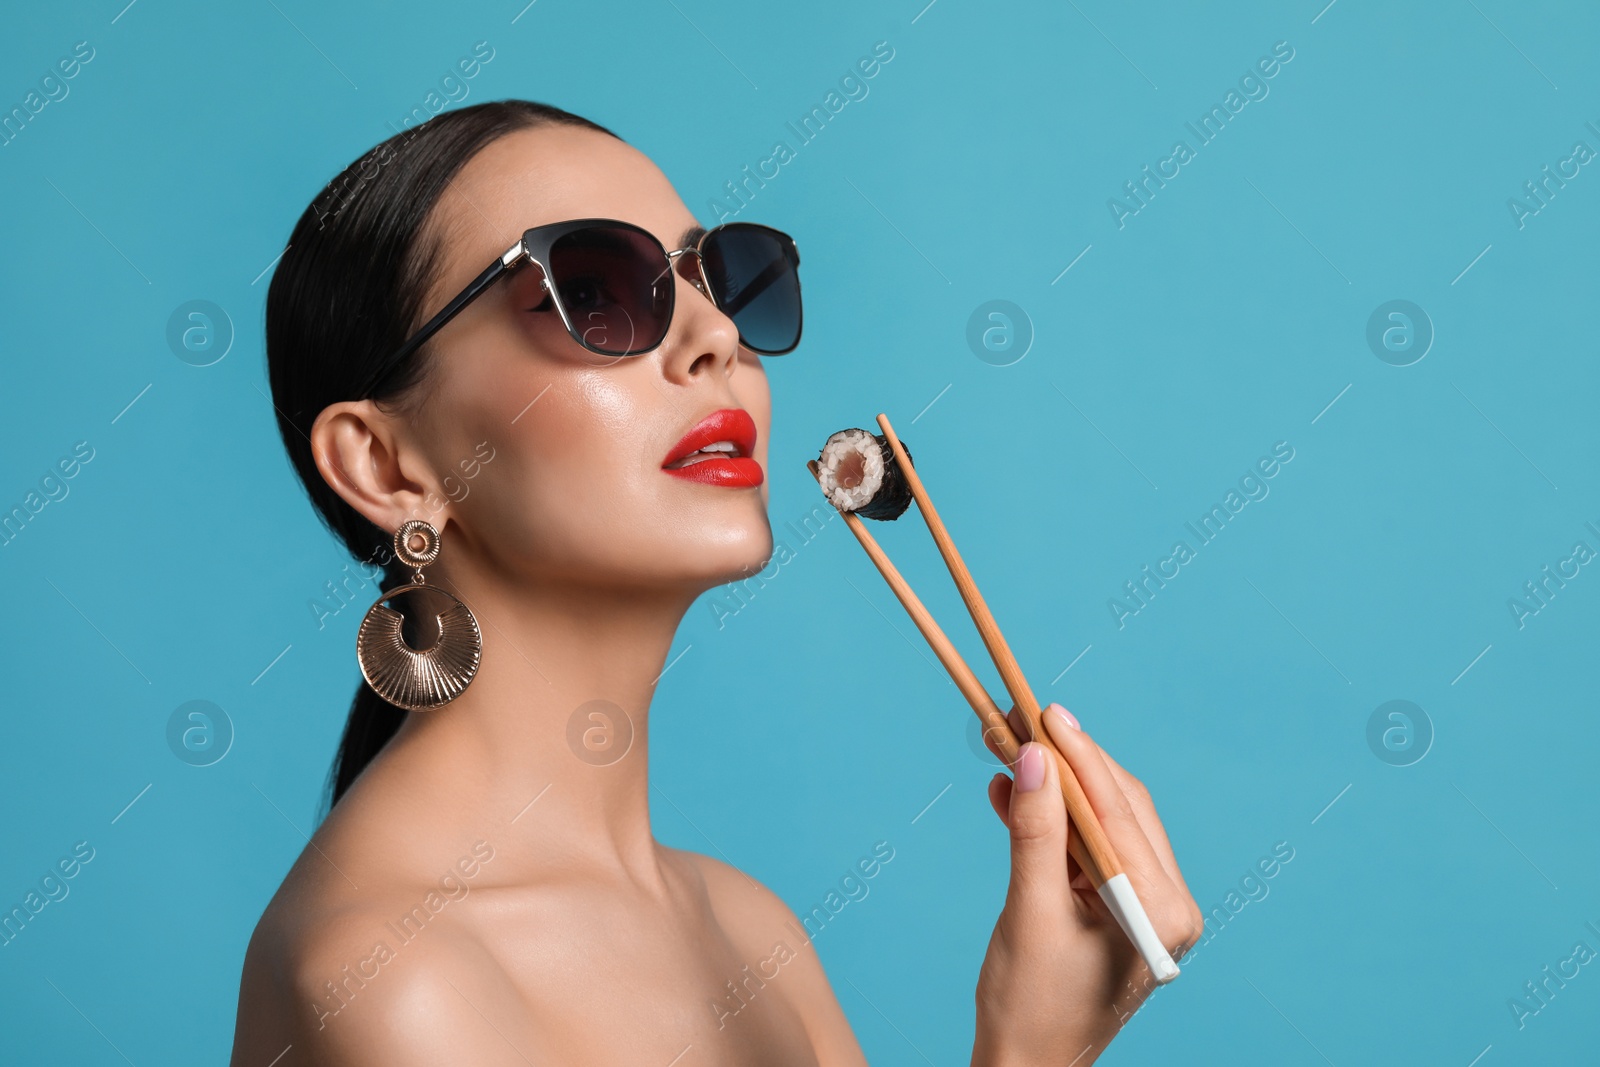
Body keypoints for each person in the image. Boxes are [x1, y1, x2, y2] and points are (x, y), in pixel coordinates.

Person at [229, 99, 1202, 1066]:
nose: (716, 338)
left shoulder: (753, 932)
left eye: (718, 281)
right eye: (598, 289)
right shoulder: (391, 977)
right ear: (386, 465)